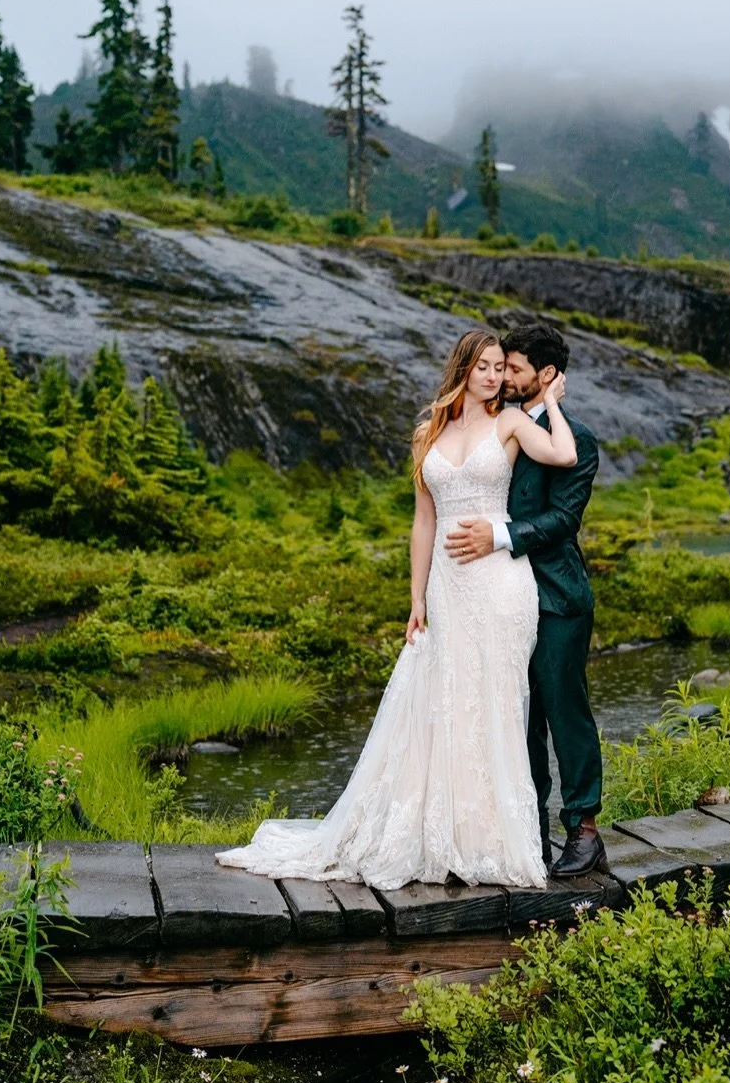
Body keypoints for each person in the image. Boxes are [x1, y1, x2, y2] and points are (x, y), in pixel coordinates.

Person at [217, 328, 577, 891]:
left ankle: (488, 838)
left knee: (492, 702)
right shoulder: (427, 432)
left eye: (500, 368)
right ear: (462, 368)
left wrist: (550, 401)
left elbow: (565, 453)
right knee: (444, 699)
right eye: (483, 367)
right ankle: (441, 829)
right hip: (448, 584)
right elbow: (423, 521)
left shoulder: (512, 423)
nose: (494, 377)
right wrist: (415, 597)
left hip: (500, 584)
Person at [443, 322, 605, 878]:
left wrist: (501, 536)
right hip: (499, 598)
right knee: (516, 717)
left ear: (548, 375)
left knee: (565, 712)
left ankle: (584, 829)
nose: (503, 377)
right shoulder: (495, 425)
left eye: (514, 368)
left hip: (558, 598)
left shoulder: (576, 437)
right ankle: (526, 829)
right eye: (500, 367)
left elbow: (564, 519)